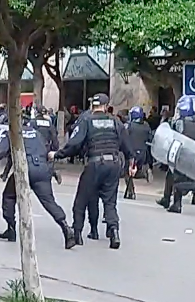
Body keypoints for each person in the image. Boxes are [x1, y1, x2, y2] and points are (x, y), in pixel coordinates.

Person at [54, 93, 135, 249]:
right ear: (106, 106)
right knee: (110, 202)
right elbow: (127, 145)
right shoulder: (115, 121)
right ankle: (114, 232)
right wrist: (132, 162)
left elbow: (75, 144)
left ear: (93, 106)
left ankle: (77, 233)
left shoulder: (86, 120)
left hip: (95, 164)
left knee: (81, 200)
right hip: (114, 164)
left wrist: (58, 154)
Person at [0, 111, 76, 249]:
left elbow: (0, 151)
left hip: (24, 169)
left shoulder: (14, 133)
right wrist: (51, 171)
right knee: (49, 202)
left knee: (9, 196)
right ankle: (66, 227)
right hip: (41, 169)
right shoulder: (37, 134)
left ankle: (11, 228)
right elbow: (46, 151)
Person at [158, 96, 195, 213]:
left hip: (183, 154)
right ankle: (172, 202)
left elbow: (173, 136)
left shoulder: (180, 123)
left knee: (179, 180)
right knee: (172, 175)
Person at [32, 107, 62, 184]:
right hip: (46, 147)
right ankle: (53, 172)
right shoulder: (49, 123)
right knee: (45, 163)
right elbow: (54, 136)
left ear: (36, 112)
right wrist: (54, 148)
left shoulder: (33, 122)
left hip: (35, 146)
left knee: (33, 164)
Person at [125, 106, 152, 183]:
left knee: (128, 172)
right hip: (143, 153)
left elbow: (124, 137)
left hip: (132, 152)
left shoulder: (129, 126)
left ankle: (131, 192)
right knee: (138, 168)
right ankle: (145, 171)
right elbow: (150, 138)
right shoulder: (146, 125)